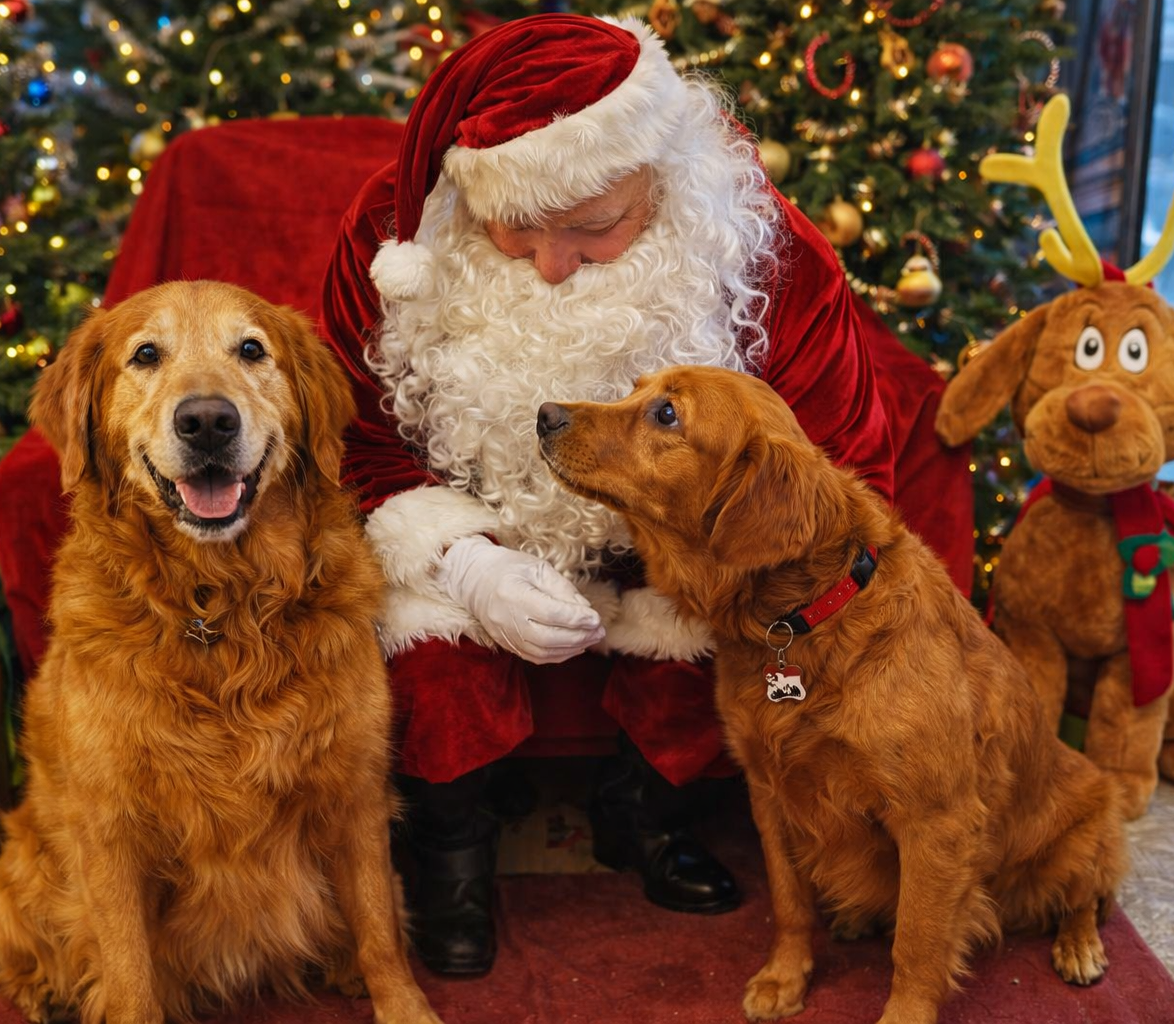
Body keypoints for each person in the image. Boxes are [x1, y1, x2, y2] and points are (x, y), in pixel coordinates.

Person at [320, 13, 964, 976]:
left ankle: (648, 813)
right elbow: (349, 432)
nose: (551, 263)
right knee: (426, 632)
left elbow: (838, 457)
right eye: (517, 230)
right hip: (471, 519)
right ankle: (454, 847)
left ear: (663, 179)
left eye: (594, 227)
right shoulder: (393, 234)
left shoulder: (759, 242)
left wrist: (726, 572)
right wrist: (465, 558)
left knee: (720, 630)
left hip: (690, 546)